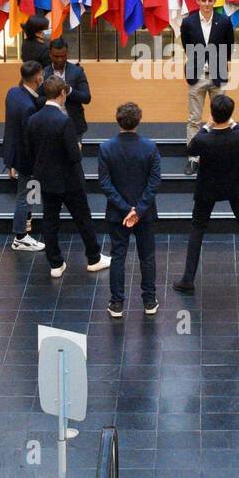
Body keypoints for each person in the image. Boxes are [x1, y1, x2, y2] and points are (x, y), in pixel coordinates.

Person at [173, 93, 239, 293]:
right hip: (236, 187)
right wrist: (234, 124)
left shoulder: (204, 140)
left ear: (211, 113)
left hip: (208, 188)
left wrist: (206, 126)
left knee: (197, 229)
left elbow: (191, 147)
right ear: (230, 114)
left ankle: (187, 279)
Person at [25, 76, 110, 279]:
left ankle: (55, 263)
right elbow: (74, 156)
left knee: (49, 221)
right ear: (63, 93)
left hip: (45, 180)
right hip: (70, 181)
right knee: (83, 219)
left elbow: (29, 151)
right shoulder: (64, 121)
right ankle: (94, 258)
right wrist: (78, 147)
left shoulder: (32, 120)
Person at [97, 101, 162, 318]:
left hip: (118, 214)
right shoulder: (150, 147)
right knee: (147, 257)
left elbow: (105, 184)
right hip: (144, 214)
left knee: (118, 257)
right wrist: (139, 210)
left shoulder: (106, 148)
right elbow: (154, 181)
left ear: (118, 120)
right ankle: (149, 300)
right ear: (138, 121)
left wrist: (126, 209)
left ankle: (116, 304)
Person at [178, 0, 235, 175]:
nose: (207, 4)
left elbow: (228, 45)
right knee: (194, 119)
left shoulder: (224, 21)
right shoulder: (188, 22)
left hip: (218, 75)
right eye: (203, 0)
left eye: (210, 0)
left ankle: (221, 156)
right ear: (197, 1)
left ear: (214, 2)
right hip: (197, 76)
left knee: (222, 118)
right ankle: (194, 158)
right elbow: (187, 45)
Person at [3, 60, 46, 252]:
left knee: (28, 195)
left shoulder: (13, 92)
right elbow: (30, 138)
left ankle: (27, 222)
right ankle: (20, 236)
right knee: (25, 196)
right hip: (26, 158)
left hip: (14, 152)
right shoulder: (28, 107)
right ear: (38, 77)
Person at [42, 37, 90, 139]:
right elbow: (37, 99)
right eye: (56, 56)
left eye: (63, 56)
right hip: (49, 123)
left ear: (67, 53)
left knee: (74, 154)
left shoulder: (77, 71)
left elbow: (86, 98)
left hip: (73, 124)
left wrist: (70, 91)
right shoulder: (44, 73)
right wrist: (52, 96)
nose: (59, 59)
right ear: (50, 55)